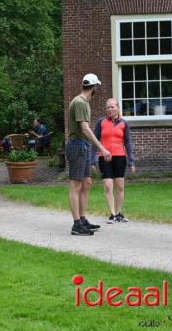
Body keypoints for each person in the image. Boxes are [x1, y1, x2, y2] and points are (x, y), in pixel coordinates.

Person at [66, 73, 111, 236]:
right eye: (96, 87)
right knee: (76, 184)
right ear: (94, 88)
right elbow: (84, 128)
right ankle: (76, 225)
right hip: (77, 145)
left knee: (87, 183)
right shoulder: (79, 102)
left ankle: (82, 219)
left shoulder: (83, 102)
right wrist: (101, 148)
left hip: (82, 145)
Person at [92, 98, 135, 224]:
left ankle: (118, 213)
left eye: (112, 107)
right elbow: (95, 142)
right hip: (104, 157)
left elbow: (127, 143)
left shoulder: (124, 123)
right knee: (107, 185)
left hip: (120, 157)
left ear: (118, 108)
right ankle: (112, 214)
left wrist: (131, 161)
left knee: (120, 187)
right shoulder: (100, 122)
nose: (110, 109)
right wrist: (92, 160)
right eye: (107, 107)